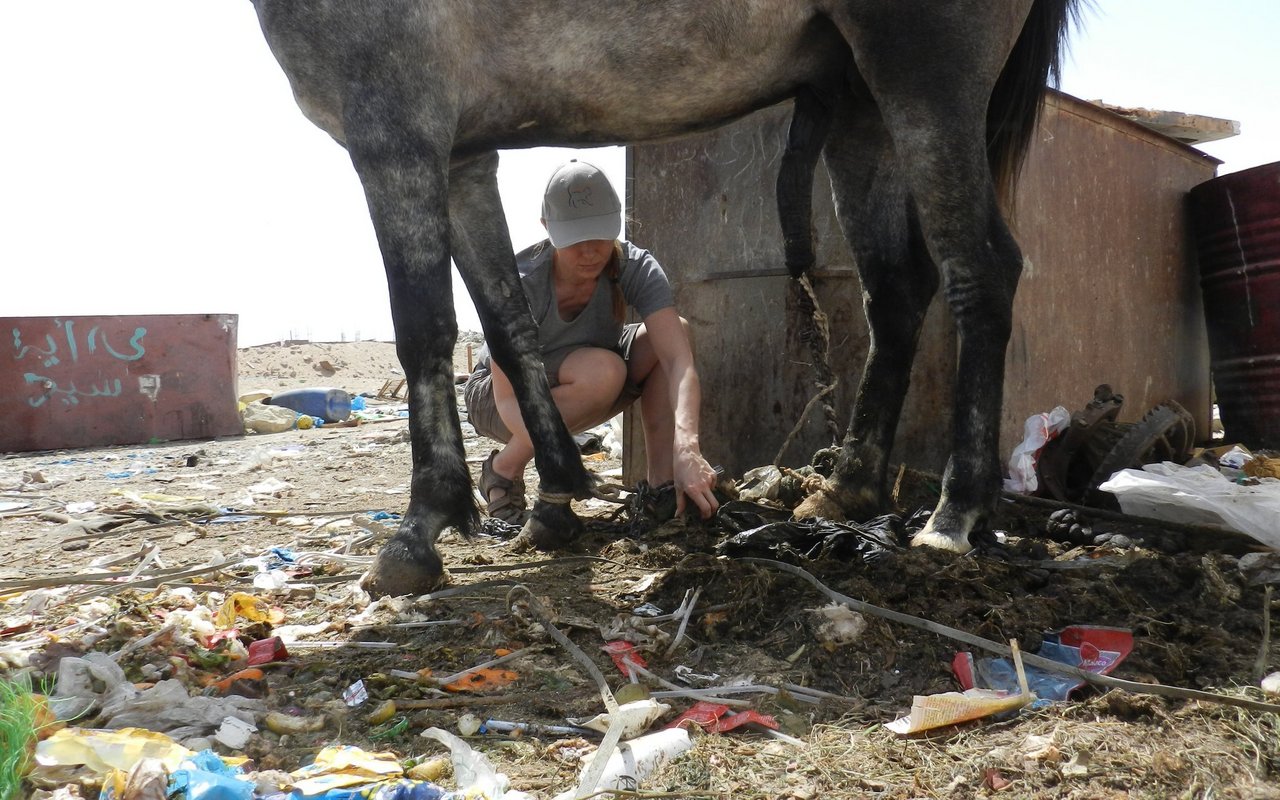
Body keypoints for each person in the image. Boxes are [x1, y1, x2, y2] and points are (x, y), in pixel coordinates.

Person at [464, 159, 720, 524]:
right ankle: (504, 468)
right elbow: (507, 400)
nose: (589, 252)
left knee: (673, 332)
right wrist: (562, 461)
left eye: (599, 236)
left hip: (587, 379)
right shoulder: (520, 282)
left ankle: (662, 487)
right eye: (575, 239)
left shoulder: (635, 266)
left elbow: (679, 362)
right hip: (498, 397)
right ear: (547, 228)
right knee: (604, 370)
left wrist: (688, 447)